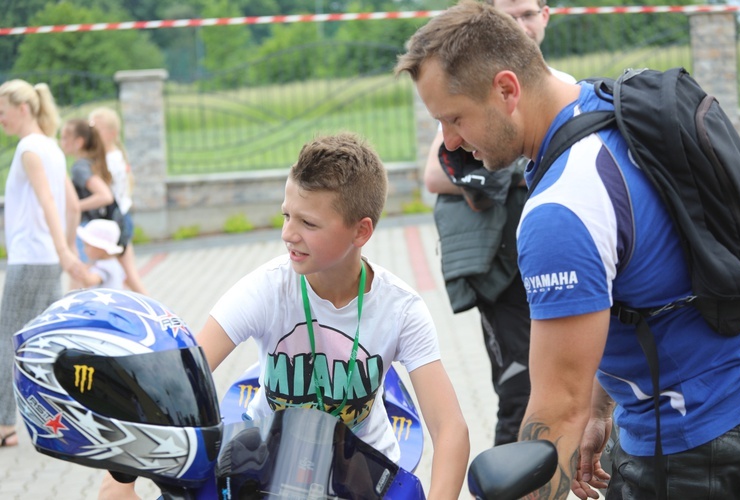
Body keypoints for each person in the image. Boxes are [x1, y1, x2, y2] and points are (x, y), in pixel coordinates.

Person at [395, 2, 740, 499]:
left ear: (505, 89)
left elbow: (556, 413)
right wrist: (602, 408)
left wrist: (575, 420)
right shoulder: (603, 110)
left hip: (696, 448)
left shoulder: (559, 211)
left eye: (454, 119)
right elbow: (640, 283)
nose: (450, 144)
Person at [99, 132, 470, 499]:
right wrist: (119, 482)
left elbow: (450, 427)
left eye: (308, 224)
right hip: (264, 469)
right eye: (286, 216)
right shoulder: (266, 288)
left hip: (362, 477)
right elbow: (176, 381)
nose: (288, 234)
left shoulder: (401, 308)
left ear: (361, 231)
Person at [423, 0, 574, 447]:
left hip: (556, 261)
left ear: (546, 15)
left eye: (528, 14)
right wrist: (516, 163)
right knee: (519, 392)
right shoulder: (476, 94)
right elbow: (435, 173)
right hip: (502, 270)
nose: (521, 26)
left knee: (569, 386)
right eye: (509, 17)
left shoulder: (564, 87)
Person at [0, 79, 83, 449]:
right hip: (46, 258)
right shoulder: (50, 147)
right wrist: (64, 249)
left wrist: (66, 251)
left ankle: (4, 425)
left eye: (2, 111)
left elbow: (50, 201)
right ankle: (61, 419)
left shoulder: (29, 149)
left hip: (30, 257)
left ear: (23, 108)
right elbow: (74, 206)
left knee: (8, 339)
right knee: (48, 342)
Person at [88, 107, 147, 295]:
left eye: (97, 130)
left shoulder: (110, 159)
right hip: (119, 218)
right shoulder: (113, 156)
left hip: (116, 221)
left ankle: (157, 313)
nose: (93, 135)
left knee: (130, 276)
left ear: (112, 133)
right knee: (128, 275)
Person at [59, 118, 120, 288]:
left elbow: (104, 196)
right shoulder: (92, 162)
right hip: (97, 225)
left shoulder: (80, 167)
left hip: (87, 228)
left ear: (79, 142)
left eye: (64, 138)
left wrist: (75, 206)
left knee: (79, 280)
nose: (61, 142)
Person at [75, 219, 126, 290]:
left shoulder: (103, 266)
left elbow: (90, 281)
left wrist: (82, 272)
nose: (84, 249)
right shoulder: (114, 263)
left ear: (101, 248)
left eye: (87, 245)